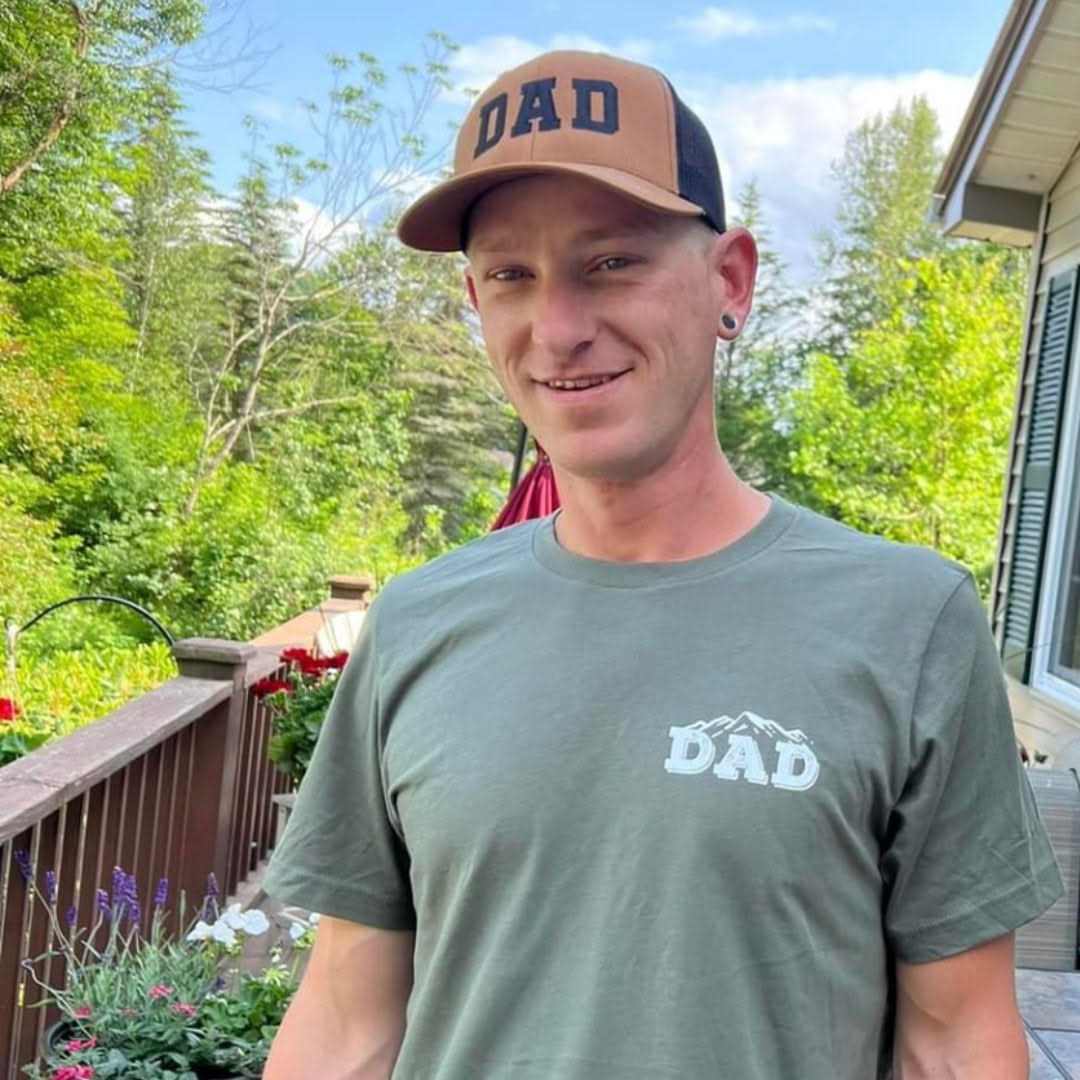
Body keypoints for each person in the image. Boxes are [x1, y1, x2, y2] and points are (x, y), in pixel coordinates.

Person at [262, 50, 1063, 1080]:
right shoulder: (417, 624)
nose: (558, 329)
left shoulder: (909, 622)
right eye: (511, 276)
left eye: (611, 263)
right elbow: (344, 1023)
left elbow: (954, 1044)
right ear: (474, 299)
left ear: (731, 281)